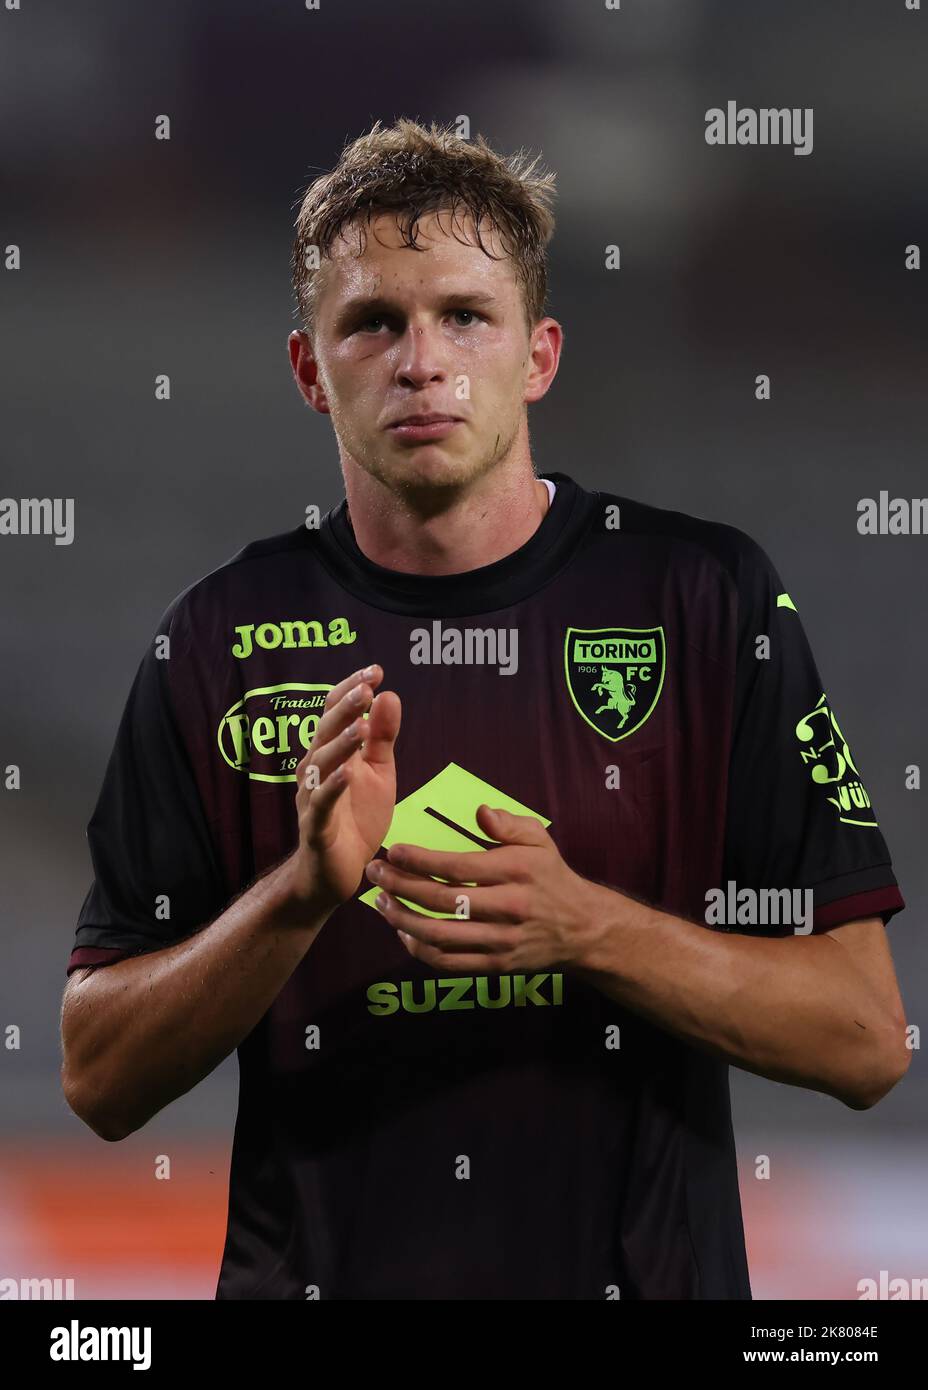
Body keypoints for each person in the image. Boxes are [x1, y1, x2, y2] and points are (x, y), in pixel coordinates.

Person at [60, 118, 909, 1300]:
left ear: (540, 353)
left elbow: (866, 1038)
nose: (421, 361)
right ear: (311, 370)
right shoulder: (217, 638)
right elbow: (98, 1076)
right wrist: (297, 896)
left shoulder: (702, 598)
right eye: (372, 323)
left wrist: (587, 926)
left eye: (465, 315)